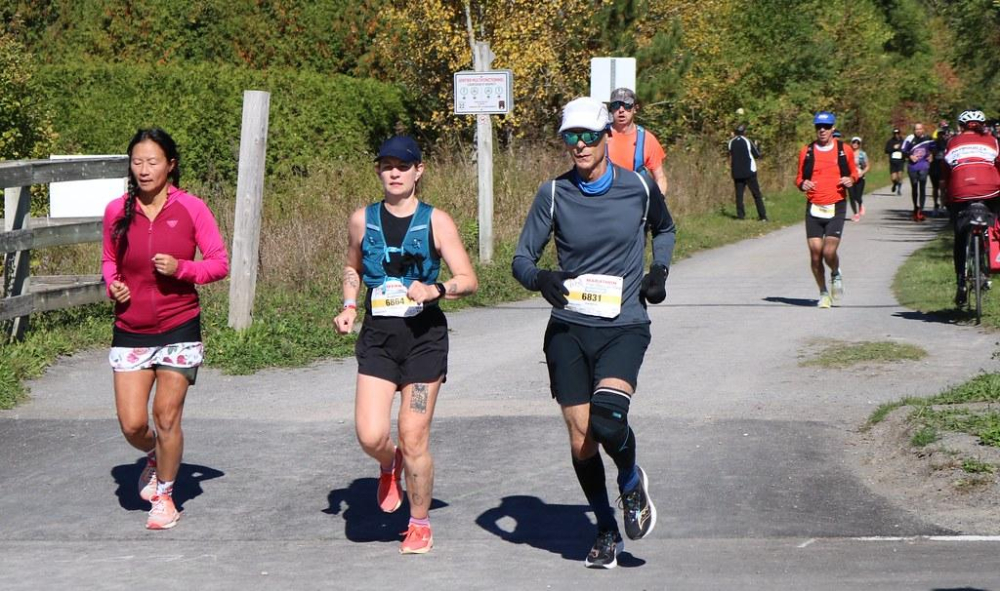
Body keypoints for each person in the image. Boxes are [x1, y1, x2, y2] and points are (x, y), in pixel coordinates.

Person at [512, 97, 676, 569]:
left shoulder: (639, 186)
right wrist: (541, 278)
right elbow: (521, 259)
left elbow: (665, 229)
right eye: (571, 136)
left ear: (607, 135)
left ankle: (630, 480)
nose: (580, 145)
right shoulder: (553, 193)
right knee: (582, 438)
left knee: (607, 421)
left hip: (624, 325)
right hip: (569, 328)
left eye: (588, 135)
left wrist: (659, 271)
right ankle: (605, 528)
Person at [333, 135, 478, 555]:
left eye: (403, 166)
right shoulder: (362, 220)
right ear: (379, 171)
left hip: (423, 341)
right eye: (387, 166)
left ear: (419, 171)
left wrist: (436, 289)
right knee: (370, 434)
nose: (394, 173)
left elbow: (468, 279)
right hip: (379, 339)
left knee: (413, 435)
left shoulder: (437, 221)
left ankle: (418, 523)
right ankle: (388, 462)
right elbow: (352, 266)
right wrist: (348, 305)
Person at [101, 128, 229, 530]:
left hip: (179, 325)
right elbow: (109, 260)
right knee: (133, 425)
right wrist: (112, 284)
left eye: (152, 162)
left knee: (166, 416)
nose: (144, 170)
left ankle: (166, 496)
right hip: (131, 326)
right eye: (137, 162)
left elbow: (219, 263)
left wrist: (182, 269)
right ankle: (156, 455)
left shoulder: (192, 208)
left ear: (170, 165)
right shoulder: (116, 210)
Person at [795, 111, 858, 309]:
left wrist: (851, 179)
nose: (822, 130)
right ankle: (823, 293)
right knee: (815, 255)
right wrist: (802, 184)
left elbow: (854, 173)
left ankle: (835, 272)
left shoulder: (844, 150)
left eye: (826, 127)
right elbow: (799, 177)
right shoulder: (807, 151)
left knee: (829, 252)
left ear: (833, 128)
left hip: (836, 205)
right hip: (814, 207)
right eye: (818, 127)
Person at [941, 109, 1000, 306]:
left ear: (960, 126)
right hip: (990, 189)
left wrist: (945, 193)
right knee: (995, 223)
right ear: (982, 125)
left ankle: (961, 281)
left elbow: (946, 172)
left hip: (960, 191)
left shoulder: (952, 142)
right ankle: (990, 244)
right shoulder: (992, 140)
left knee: (960, 235)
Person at [604, 87, 668, 196]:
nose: (621, 110)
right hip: (605, 199)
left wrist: (658, 200)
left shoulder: (647, 139)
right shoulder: (599, 136)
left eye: (627, 106)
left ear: (635, 108)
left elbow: (660, 177)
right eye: (616, 105)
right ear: (611, 109)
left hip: (636, 200)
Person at [728, 123, 768, 221]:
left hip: (737, 172)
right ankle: (762, 216)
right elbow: (757, 155)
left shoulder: (731, 142)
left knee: (739, 196)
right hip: (749, 172)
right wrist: (758, 146)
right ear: (744, 132)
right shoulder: (747, 141)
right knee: (756, 194)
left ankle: (740, 216)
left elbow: (731, 154)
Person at [902, 123, 935, 221]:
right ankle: (915, 207)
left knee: (922, 186)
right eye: (916, 129)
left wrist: (931, 155)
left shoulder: (928, 138)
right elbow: (903, 151)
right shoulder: (910, 139)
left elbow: (934, 149)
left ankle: (921, 210)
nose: (918, 131)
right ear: (914, 130)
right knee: (915, 187)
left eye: (920, 129)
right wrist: (910, 156)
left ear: (923, 129)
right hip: (913, 166)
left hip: (924, 165)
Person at [929, 122, 952, 215]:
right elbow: (929, 154)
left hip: (943, 168)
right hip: (934, 167)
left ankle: (942, 206)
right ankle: (935, 205)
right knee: (935, 188)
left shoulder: (948, 144)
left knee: (943, 188)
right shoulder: (932, 144)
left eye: (943, 135)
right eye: (940, 135)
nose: (941, 136)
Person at [848, 137, 870, 222]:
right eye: (854, 142)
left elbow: (867, 166)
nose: (855, 144)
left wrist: (862, 172)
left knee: (858, 196)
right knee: (851, 196)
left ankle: (860, 204)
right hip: (850, 178)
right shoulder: (848, 153)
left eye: (857, 143)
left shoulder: (862, 154)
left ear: (859, 144)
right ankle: (856, 214)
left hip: (860, 178)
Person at [884, 128, 905, 195]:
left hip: (900, 161)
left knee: (900, 175)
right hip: (893, 161)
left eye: (898, 133)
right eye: (895, 134)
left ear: (899, 134)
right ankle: (895, 184)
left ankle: (899, 190)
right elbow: (886, 150)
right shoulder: (890, 142)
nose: (896, 135)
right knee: (893, 178)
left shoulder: (903, 141)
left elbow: (906, 150)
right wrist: (893, 148)